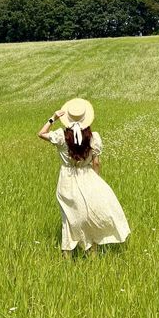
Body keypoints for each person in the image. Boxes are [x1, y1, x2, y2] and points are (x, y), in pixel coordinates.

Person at [37, 97, 130, 258]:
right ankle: (91, 252)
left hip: (67, 179)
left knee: (69, 217)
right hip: (87, 177)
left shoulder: (61, 136)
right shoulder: (93, 137)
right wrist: (96, 181)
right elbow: (97, 162)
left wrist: (53, 118)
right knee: (88, 214)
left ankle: (67, 254)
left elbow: (41, 133)